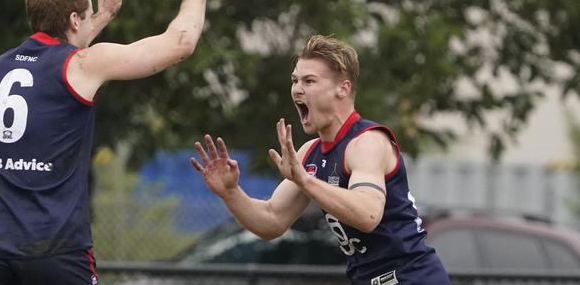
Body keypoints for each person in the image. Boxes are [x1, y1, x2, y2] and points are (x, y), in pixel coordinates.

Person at [0, 0, 217, 285]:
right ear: (73, 20)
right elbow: (181, 42)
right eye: (85, 17)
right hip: (54, 249)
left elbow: (61, 54)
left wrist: (102, 14)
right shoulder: (82, 65)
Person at [191, 35, 451, 284]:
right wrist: (231, 193)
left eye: (309, 81)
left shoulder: (367, 142)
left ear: (343, 88)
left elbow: (367, 214)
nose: (297, 90)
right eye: (295, 81)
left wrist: (304, 180)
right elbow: (271, 222)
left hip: (411, 278)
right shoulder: (309, 153)